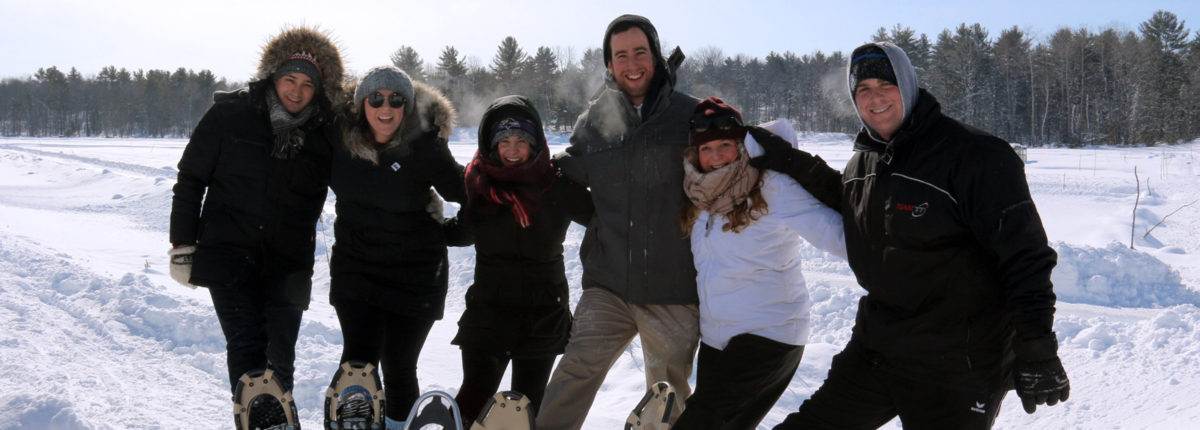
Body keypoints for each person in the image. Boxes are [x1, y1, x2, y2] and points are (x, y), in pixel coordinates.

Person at [751, 42, 1070, 429]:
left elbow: (1025, 257)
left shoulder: (976, 155)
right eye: (863, 88)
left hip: (957, 364)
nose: (875, 97)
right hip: (880, 347)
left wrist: (1036, 346)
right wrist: (789, 160)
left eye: (886, 84)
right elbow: (849, 199)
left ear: (908, 84)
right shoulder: (864, 161)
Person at [168, 26, 343, 424]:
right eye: (288, 79)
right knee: (247, 349)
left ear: (319, 90)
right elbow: (191, 178)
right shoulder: (231, 113)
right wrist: (182, 244)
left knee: (281, 359)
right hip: (229, 254)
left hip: (289, 262)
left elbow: (363, 170)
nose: (296, 92)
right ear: (272, 77)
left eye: (307, 85)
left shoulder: (325, 133)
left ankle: (281, 421)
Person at [537, 14, 701, 429]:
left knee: (668, 395)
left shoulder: (690, 116)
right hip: (609, 284)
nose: (631, 64)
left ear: (656, 56)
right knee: (575, 371)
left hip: (674, 289)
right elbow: (566, 173)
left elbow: (729, 169)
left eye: (640, 52)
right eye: (620, 55)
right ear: (609, 64)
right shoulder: (595, 121)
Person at [670, 98, 846, 429]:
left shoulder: (772, 185)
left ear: (743, 145)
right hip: (717, 339)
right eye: (707, 149)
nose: (717, 155)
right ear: (695, 154)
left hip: (769, 335)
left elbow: (838, 237)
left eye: (726, 144)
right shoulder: (699, 198)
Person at [328, 65, 466, 429]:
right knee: (357, 366)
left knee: (400, 365)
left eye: (395, 99)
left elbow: (470, 194)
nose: (385, 107)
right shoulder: (338, 142)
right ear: (361, 104)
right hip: (357, 270)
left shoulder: (423, 144)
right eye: (375, 98)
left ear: (408, 105)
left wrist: (450, 232)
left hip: (416, 275)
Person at [450, 95, 594, 423]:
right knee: (473, 397)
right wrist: (422, 221)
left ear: (536, 143)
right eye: (504, 141)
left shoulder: (555, 183)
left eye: (521, 141)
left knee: (527, 406)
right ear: (491, 144)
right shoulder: (478, 185)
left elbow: (602, 216)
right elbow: (460, 232)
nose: (512, 150)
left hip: (543, 311)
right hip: (489, 309)